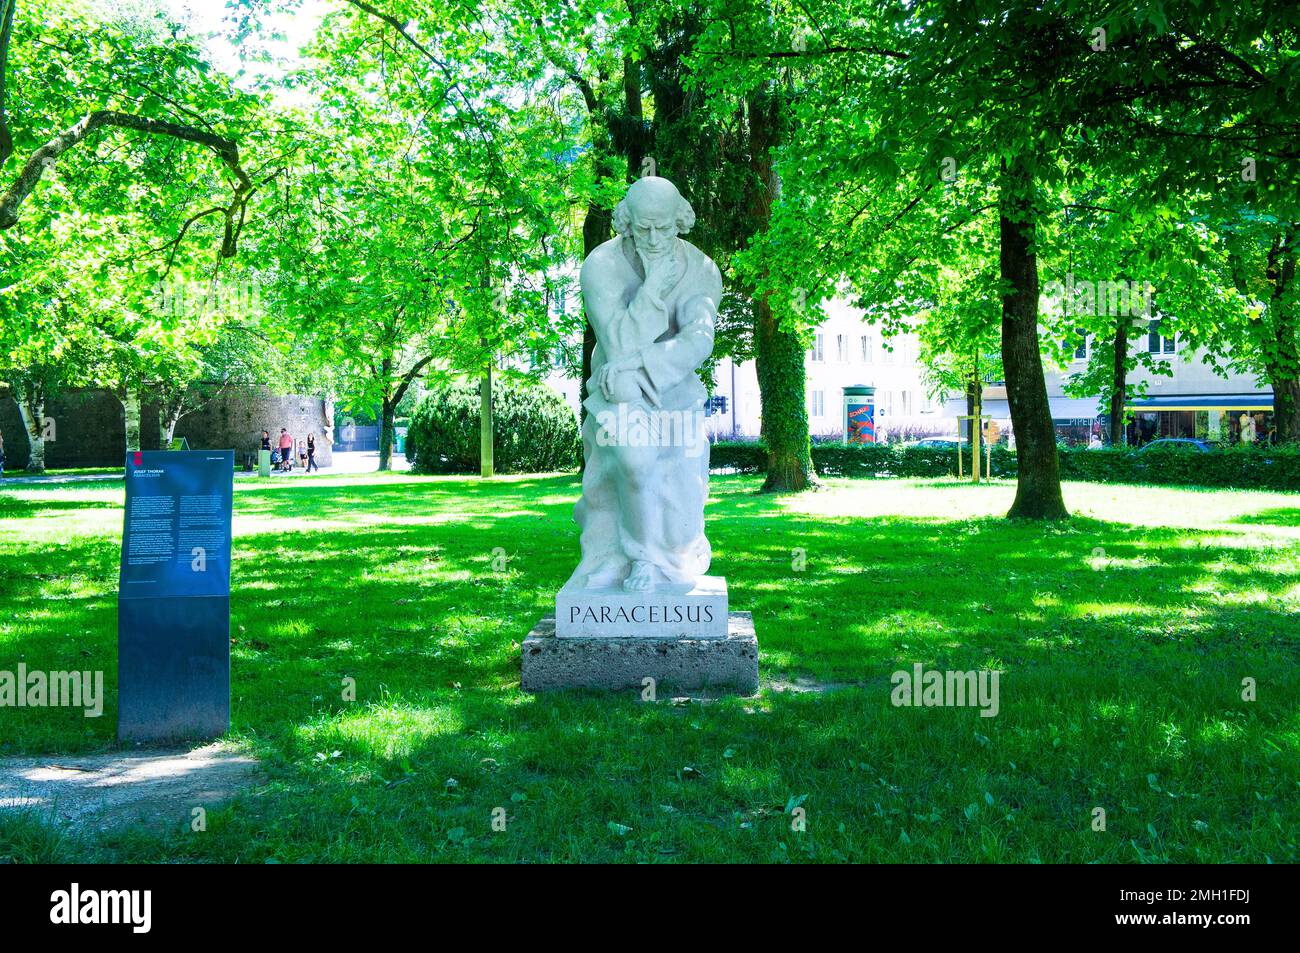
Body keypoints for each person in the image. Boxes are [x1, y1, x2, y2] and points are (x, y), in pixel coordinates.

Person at [565, 176, 721, 593]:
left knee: (681, 498)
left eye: (664, 227)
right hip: (619, 392)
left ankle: (666, 555)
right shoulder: (600, 265)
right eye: (643, 227)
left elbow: (698, 339)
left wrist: (638, 363)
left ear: (679, 221)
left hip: (672, 391)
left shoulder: (702, 269)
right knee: (634, 460)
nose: (653, 237)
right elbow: (615, 341)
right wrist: (652, 287)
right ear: (627, 223)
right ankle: (641, 558)